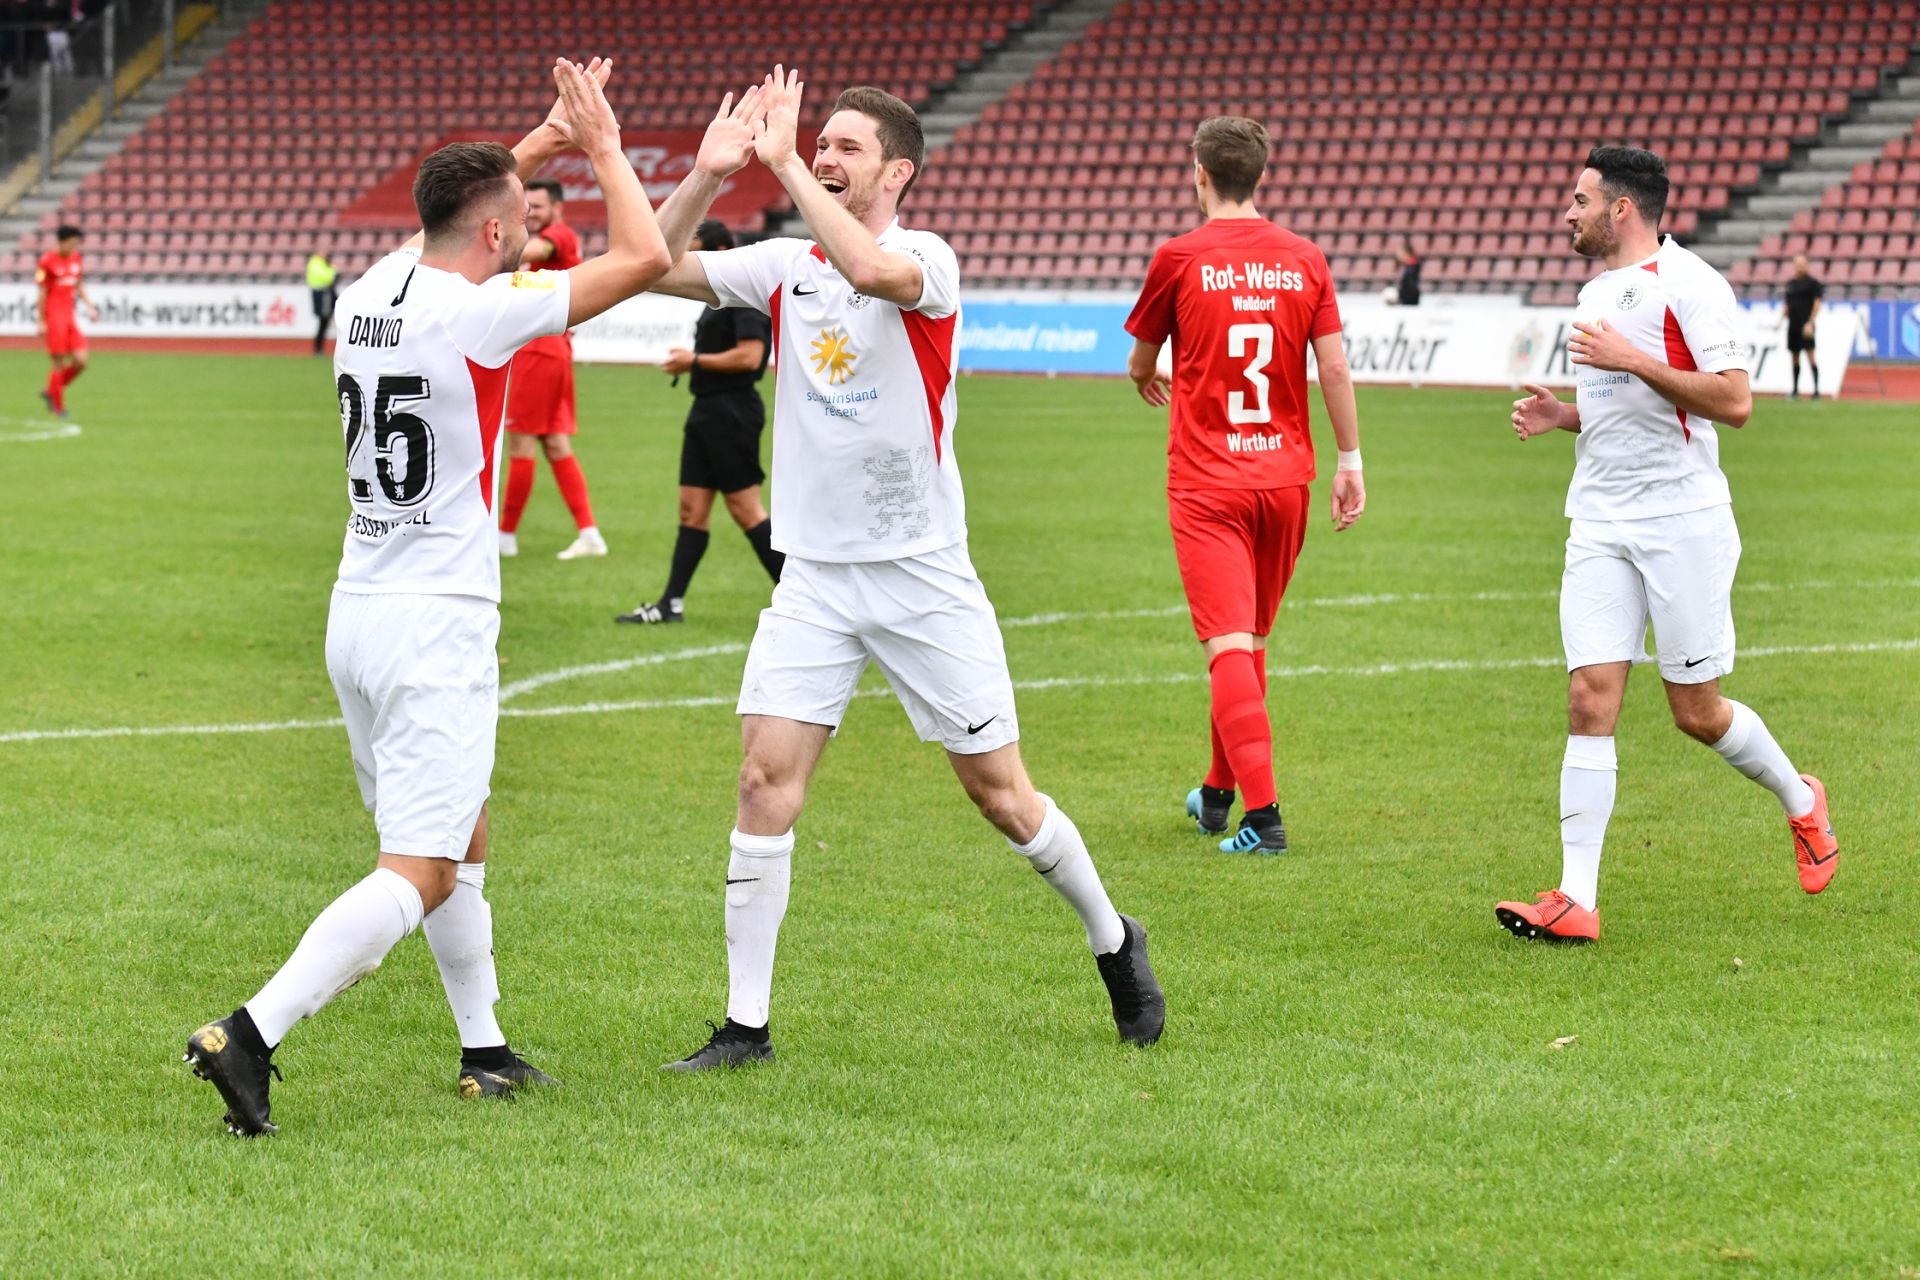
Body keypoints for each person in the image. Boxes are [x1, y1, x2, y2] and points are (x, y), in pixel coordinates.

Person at [183, 58, 685, 1136]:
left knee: (462, 836)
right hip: (435, 619)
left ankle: (486, 1046)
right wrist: (597, 141)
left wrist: (537, 142)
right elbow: (647, 255)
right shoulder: (485, 312)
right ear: (501, 232)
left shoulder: (369, 289)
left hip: (357, 609)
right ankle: (249, 1033)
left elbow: (461, 207)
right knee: (416, 868)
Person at [641, 68, 1164, 1070]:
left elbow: (875, 277)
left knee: (1001, 794)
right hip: (817, 578)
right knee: (762, 779)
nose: (827, 155)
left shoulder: (926, 256)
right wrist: (709, 176)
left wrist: (788, 162)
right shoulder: (786, 264)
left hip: (922, 574)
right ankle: (745, 1026)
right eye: (819, 142)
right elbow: (654, 261)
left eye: (846, 147)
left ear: (898, 171)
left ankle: (1111, 934)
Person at [1495, 145, 1837, 944]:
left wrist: (1630, 357)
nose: (1566, 212)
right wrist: (1566, 414)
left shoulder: (1691, 285)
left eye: (1579, 199)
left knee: (1697, 711)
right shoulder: (1594, 289)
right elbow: (1622, 403)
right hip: (1601, 519)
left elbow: (1736, 401)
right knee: (1589, 698)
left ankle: (1802, 800)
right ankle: (1577, 898)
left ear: (1621, 208)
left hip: (1683, 521)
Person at [1124, 116, 1366, 856]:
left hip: (1208, 479)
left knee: (1228, 646)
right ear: (1259, 174)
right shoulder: (1304, 259)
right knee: (1250, 644)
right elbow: (1331, 368)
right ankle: (1218, 795)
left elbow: (1141, 360)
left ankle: (1264, 820)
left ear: (1200, 172)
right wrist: (1350, 460)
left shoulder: (1181, 256)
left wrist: (1152, 376)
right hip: (1285, 477)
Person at [616, 218, 781, 625]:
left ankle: (803, 594)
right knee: (692, 510)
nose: (688, 259)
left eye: (695, 248)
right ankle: (671, 603)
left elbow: (751, 357)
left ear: (720, 251)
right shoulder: (717, 300)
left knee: (746, 509)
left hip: (733, 412)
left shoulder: (746, 298)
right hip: (706, 410)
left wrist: (694, 361)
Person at [498, 177, 604, 560]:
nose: (531, 214)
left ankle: (505, 536)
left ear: (557, 207)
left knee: (521, 441)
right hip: (552, 349)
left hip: (539, 350)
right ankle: (589, 533)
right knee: (555, 444)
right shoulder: (556, 238)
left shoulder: (557, 234)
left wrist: (494, 238)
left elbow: (538, 246)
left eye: (537, 207)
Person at [36, 224, 97, 419]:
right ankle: (58, 408)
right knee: (59, 363)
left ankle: (51, 390)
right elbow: (42, 292)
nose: (74, 247)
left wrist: (90, 306)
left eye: (76, 244)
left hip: (70, 316)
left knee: (81, 361)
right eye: (71, 243)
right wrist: (41, 320)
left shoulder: (76, 258)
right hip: (54, 318)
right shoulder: (46, 261)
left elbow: (78, 284)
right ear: (61, 242)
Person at [1783, 253, 1823, 399]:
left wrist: (1810, 323)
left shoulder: (1813, 284)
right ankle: (1795, 390)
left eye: (1802, 263)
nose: (1800, 266)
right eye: (1797, 263)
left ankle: (1816, 390)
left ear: (1807, 265)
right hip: (1793, 325)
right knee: (1795, 357)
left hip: (1806, 325)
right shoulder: (1790, 284)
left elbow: (1817, 304)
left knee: (1811, 356)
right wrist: (1779, 321)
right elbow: (1787, 306)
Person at [306, 249, 338, 355]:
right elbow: (327, 277)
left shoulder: (319, 264)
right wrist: (333, 271)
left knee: (324, 321)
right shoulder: (317, 264)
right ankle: (318, 348)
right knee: (324, 320)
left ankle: (319, 348)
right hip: (323, 294)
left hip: (325, 293)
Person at [1395, 239, 1422, 306]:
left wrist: (1401, 296)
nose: (1399, 255)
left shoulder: (1411, 268)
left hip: (1409, 301)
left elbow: (1410, 287)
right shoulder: (1412, 267)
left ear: (1406, 253)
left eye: (1401, 253)